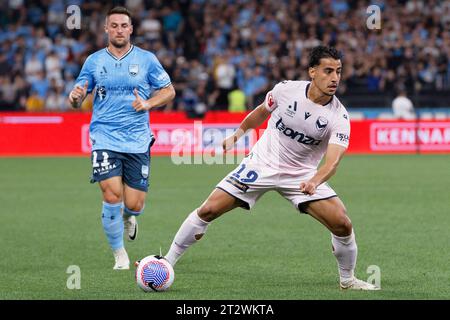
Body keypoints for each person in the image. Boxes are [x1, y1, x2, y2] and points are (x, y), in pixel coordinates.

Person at [163, 46, 379, 290]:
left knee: (342, 223)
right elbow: (260, 113)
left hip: (302, 175)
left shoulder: (339, 117)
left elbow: (332, 162)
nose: (335, 78)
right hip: (261, 163)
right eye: (328, 71)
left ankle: (348, 280)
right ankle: (167, 263)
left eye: (338, 71)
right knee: (209, 209)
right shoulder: (286, 90)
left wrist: (314, 182)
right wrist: (237, 134)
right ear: (312, 72)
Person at [69, 6, 175, 270]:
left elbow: (169, 91)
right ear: (106, 28)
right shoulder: (94, 61)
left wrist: (149, 103)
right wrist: (75, 97)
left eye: (123, 25)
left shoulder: (147, 59)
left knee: (134, 203)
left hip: (137, 139)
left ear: (131, 29)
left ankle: (130, 217)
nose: (119, 30)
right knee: (111, 194)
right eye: (113, 25)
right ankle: (120, 254)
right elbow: (79, 92)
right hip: (104, 135)